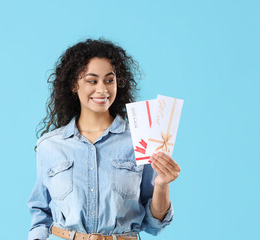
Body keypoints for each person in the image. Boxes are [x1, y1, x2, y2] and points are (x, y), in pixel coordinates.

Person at [27, 38, 181, 240]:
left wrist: (162, 184)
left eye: (109, 80)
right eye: (92, 81)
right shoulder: (50, 145)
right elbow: (40, 214)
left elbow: (154, 225)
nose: (102, 90)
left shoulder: (141, 140)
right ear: (74, 84)